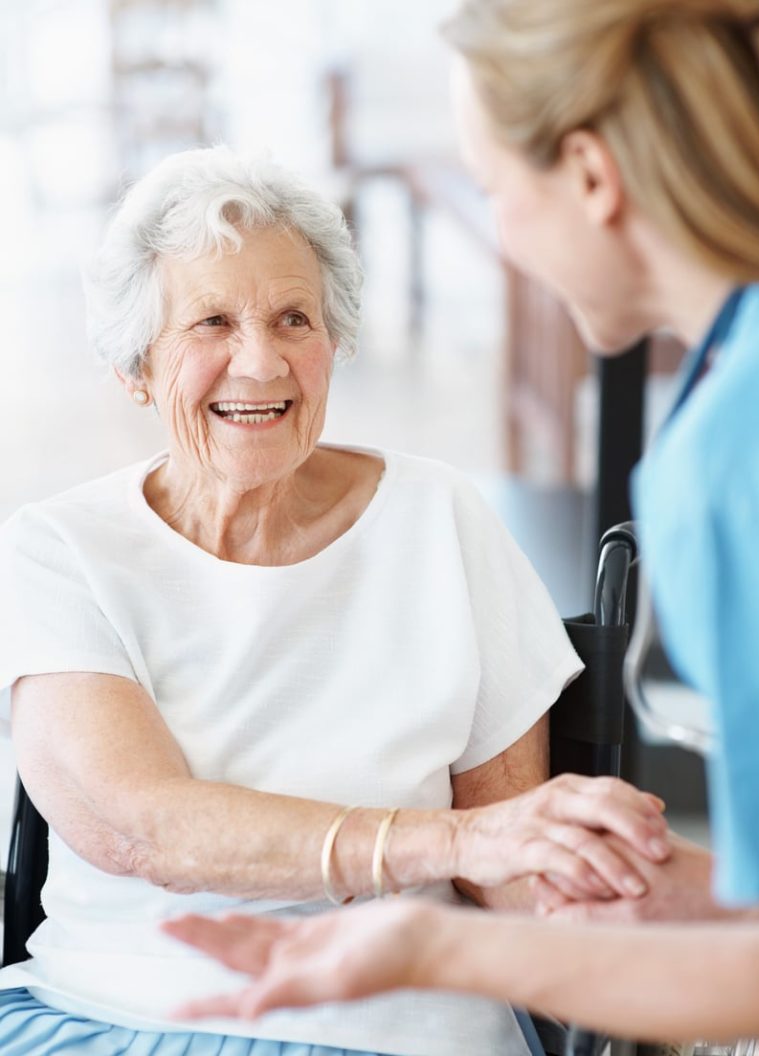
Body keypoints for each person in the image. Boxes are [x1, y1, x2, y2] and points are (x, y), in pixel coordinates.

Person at [162, 0, 759, 1044]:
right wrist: (667, 885)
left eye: (496, 190)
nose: (498, 236)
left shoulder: (731, 458)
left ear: (592, 178)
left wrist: (431, 946)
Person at [0, 146, 671, 1056]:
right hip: (111, 1016)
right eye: (210, 322)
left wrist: (619, 904)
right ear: (135, 367)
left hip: (397, 1029)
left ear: (334, 341)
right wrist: (449, 843)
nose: (261, 361)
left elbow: (507, 870)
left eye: (293, 318)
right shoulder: (58, 549)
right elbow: (142, 828)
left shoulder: (440, 519)